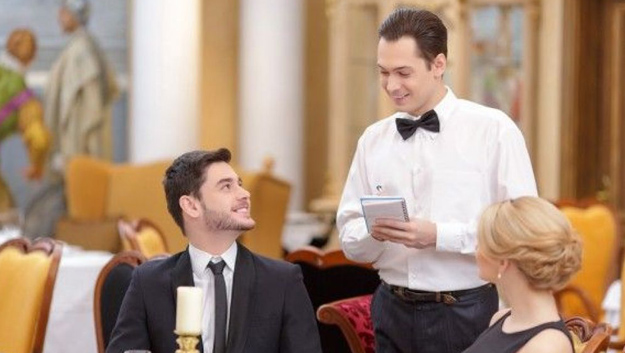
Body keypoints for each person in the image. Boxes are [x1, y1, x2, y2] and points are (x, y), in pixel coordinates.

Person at [336, 7, 537, 353]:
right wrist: (373, 232)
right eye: (383, 72)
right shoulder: (372, 139)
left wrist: (438, 235)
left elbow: (522, 229)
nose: (391, 85)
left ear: (438, 64)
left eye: (403, 72)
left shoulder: (493, 130)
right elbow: (350, 237)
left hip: (466, 311)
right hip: (389, 308)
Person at [107, 148, 322, 353]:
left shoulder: (282, 281)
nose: (245, 194)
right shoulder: (148, 283)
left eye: (239, 184)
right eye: (226, 187)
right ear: (191, 206)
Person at [22, 0, 118, 238]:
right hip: (69, 153)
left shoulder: (82, 52)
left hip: (76, 152)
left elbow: (86, 112)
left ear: (73, 15)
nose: (59, 16)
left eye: (63, 11)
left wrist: (70, 153)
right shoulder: (81, 48)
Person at [463, 197, 582, 353]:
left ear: (502, 262)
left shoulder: (546, 347)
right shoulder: (501, 319)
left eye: (481, 242)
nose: (476, 250)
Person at [0, 28, 51, 212]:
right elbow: (39, 139)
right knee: (8, 218)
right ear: (32, 57)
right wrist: (36, 167)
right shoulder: (23, 96)